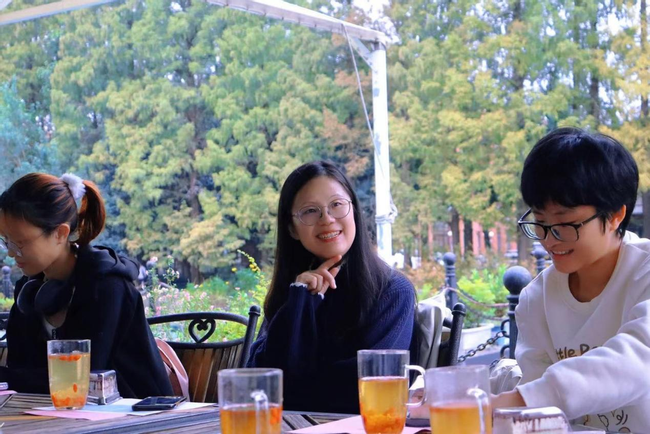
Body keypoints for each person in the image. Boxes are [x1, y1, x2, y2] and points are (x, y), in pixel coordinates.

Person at [492, 128, 650, 432]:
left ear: (615, 215)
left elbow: (638, 362)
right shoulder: (536, 298)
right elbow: (538, 416)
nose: (549, 240)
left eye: (565, 223)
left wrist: (512, 402)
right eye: (540, 222)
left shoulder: (644, 272)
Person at [247, 161, 416, 413]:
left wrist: (293, 385)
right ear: (292, 228)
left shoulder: (393, 290)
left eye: (337, 205)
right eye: (310, 211)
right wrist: (298, 304)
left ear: (354, 211)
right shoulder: (295, 292)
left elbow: (364, 389)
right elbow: (255, 383)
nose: (326, 219)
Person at [0, 173, 172, 398]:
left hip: (137, 412)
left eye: (20, 242)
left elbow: (82, 378)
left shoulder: (106, 287)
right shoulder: (29, 288)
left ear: (60, 233)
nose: (11, 252)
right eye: (5, 241)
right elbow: (19, 368)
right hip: (55, 412)